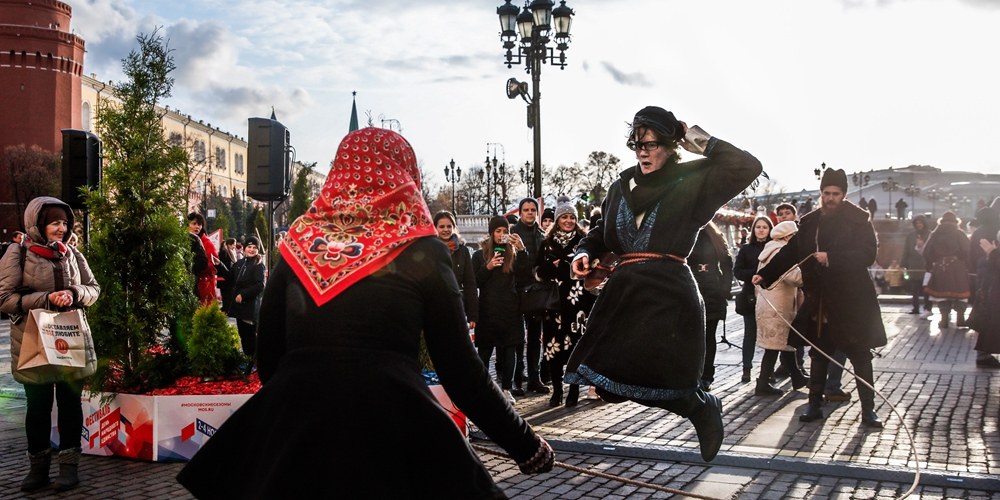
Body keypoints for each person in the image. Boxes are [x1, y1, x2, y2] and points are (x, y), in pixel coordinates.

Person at [176, 128, 553, 499]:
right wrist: (524, 443)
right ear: (404, 176)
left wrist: (300, 413)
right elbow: (460, 369)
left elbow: (270, 357)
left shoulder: (297, 245)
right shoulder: (422, 249)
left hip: (300, 436)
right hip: (392, 427)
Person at [568, 106, 763, 462]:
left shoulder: (692, 180)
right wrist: (582, 251)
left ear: (671, 146)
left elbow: (748, 167)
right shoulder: (621, 184)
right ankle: (697, 404)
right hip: (624, 293)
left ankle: (700, 408)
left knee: (659, 378)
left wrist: (698, 140)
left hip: (667, 291)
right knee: (608, 384)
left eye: (653, 144)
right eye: (638, 144)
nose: (643, 151)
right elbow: (601, 232)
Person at [754, 169, 887, 429]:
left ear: (844, 195)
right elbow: (792, 251)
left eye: (836, 194)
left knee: (860, 355)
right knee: (819, 353)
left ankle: (868, 411)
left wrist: (833, 259)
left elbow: (868, 254)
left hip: (852, 301)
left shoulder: (859, 219)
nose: (830, 198)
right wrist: (765, 274)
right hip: (822, 299)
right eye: (826, 193)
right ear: (821, 194)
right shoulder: (811, 221)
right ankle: (814, 405)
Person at [0, 197, 101, 491]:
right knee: (38, 406)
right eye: (55, 223)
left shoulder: (74, 254)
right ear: (38, 225)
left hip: (69, 338)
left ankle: (69, 467)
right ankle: (38, 467)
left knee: (70, 405)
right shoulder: (17, 254)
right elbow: (5, 299)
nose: (61, 228)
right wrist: (45, 299)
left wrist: (74, 293)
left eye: (64, 223)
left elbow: (93, 289)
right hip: (33, 340)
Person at [535, 197, 595, 407]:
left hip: (578, 303)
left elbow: (591, 270)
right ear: (557, 219)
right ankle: (557, 391)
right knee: (553, 348)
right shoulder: (546, 244)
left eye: (572, 217)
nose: (569, 221)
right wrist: (552, 268)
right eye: (565, 217)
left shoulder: (583, 241)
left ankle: (574, 391)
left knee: (575, 348)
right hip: (553, 304)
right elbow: (537, 272)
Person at [474, 216, 531, 403]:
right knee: (484, 350)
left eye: (504, 231)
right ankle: (481, 387)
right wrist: (488, 267)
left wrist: (522, 250)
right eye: (498, 231)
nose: (501, 235)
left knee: (509, 350)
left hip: (510, 308)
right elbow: (475, 282)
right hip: (488, 309)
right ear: (491, 233)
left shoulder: (513, 253)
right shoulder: (479, 255)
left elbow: (525, 275)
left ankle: (507, 389)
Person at [753, 221, 808, 396]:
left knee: (783, 342)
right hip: (778, 305)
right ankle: (762, 383)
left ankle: (797, 376)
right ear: (787, 237)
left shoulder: (768, 249)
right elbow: (793, 277)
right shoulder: (779, 251)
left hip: (769, 303)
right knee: (775, 345)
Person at [510, 197, 549, 395]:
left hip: (536, 293)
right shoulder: (512, 234)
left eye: (533, 210)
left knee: (535, 337)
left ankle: (534, 378)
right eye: (526, 210)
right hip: (516, 291)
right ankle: (516, 380)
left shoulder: (541, 234)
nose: (530, 213)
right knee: (517, 338)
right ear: (520, 212)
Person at [688, 222, 733, 393]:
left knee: (708, 337)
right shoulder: (686, 231)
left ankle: (706, 376)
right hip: (692, 287)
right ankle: (693, 376)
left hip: (712, 290)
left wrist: (725, 288)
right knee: (691, 336)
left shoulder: (716, 235)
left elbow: (727, 261)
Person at [734, 216, 773, 382]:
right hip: (751, 295)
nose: (761, 230)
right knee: (750, 333)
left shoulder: (774, 247)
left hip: (770, 294)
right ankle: (747, 368)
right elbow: (738, 271)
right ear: (754, 229)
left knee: (770, 335)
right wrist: (756, 274)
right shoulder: (746, 248)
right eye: (758, 227)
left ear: (770, 229)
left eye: (765, 227)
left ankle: (767, 371)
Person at [922, 211, 971, 328]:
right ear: (955, 222)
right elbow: (967, 251)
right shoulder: (959, 233)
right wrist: (968, 266)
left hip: (940, 266)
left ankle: (944, 320)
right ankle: (960, 318)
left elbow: (927, 252)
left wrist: (932, 264)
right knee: (960, 292)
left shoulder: (935, 234)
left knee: (942, 294)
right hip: (957, 266)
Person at [434, 211, 478, 330]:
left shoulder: (463, 252)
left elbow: (470, 284)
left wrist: (473, 315)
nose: (446, 230)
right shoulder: (429, 251)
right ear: (435, 228)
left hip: (457, 308)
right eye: (441, 226)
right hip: (434, 308)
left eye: (449, 226)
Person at [969, 202, 1000, 366]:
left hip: (985, 277)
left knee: (987, 313)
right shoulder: (995, 229)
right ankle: (983, 354)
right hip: (993, 276)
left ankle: (983, 353)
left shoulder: (979, 231)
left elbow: (972, 257)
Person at [226, 237, 266, 357]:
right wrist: (219, 265)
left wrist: (243, 295)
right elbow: (230, 277)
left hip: (250, 306)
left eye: (255, 247)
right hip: (239, 308)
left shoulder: (259, 265)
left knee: (250, 336)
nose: (252, 249)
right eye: (249, 247)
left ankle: (253, 362)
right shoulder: (240, 263)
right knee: (243, 334)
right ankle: (249, 359)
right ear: (244, 248)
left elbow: (260, 285)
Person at [188, 213, 220, 305]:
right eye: (194, 224)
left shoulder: (207, 243)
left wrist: (194, 267)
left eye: (200, 224)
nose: (197, 227)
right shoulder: (183, 239)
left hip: (204, 285)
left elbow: (213, 265)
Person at [902, 215, 932, 315]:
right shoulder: (910, 236)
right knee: (914, 289)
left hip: (926, 265)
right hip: (913, 265)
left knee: (927, 288)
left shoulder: (930, 234)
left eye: (920, 223)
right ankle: (915, 307)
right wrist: (903, 264)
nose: (919, 225)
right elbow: (906, 250)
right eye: (917, 223)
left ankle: (927, 308)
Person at [218, 238, 238, 313]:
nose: (234, 247)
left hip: (228, 279)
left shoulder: (231, 252)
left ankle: (227, 309)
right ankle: (226, 309)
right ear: (229, 245)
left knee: (228, 296)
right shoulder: (225, 253)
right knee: (226, 296)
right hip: (225, 279)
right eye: (233, 245)